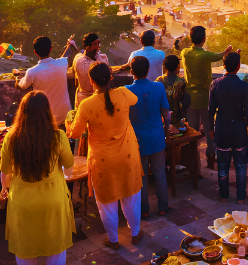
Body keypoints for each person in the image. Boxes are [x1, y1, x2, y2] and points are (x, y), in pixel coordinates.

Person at [0, 92, 74, 265]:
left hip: (22, 201)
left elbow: (5, 173)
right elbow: (69, 166)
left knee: (24, 249)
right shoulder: (58, 136)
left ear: (21, 112)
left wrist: (4, 189)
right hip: (53, 199)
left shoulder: (11, 138)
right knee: (55, 248)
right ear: (47, 112)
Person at [66, 62, 143, 250]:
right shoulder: (124, 93)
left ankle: (114, 240)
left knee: (107, 202)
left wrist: (69, 120)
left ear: (90, 80)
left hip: (103, 160)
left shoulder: (86, 105)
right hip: (127, 155)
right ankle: (135, 233)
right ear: (110, 77)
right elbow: (135, 100)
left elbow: (74, 134)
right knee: (131, 197)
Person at [180, 26, 235, 170]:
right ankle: (211, 157)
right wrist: (228, 51)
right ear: (204, 39)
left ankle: (193, 162)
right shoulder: (205, 56)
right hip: (205, 98)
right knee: (210, 129)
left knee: (193, 131)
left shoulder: (185, 52)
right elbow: (219, 56)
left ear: (191, 39)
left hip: (190, 97)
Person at [126, 56, 171, 218]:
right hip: (157, 139)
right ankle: (163, 207)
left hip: (138, 142)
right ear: (148, 70)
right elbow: (166, 113)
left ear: (131, 72)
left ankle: (144, 210)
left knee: (142, 177)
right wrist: (166, 130)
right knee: (160, 174)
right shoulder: (159, 87)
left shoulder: (126, 90)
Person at [209, 52, 248, 204]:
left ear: (223, 66)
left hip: (221, 129)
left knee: (223, 165)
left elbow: (211, 110)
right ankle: (241, 197)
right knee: (240, 166)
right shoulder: (243, 86)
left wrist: (211, 128)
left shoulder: (215, 84)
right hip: (239, 131)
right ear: (238, 66)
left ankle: (224, 195)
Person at [17, 36, 72, 128]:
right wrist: (70, 45)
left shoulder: (32, 72)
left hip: (45, 118)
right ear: (51, 48)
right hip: (65, 116)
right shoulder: (62, 63)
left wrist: (16, 78)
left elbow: (21, 85)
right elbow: (72, 54)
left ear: (35, 52)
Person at [72, 33, 108, 107]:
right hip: (98, 100)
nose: (99, 46)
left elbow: (76, 83)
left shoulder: (77, 59)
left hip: (81, 100)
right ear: (90, 45)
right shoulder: (102, 60)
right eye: (97, 43)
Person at [155, 54, 188, 123]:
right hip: (178, 119)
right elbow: (186, 102)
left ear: (164, 66)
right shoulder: (182, 81)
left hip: (161, 119)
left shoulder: (158, 81)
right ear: (178, 66)